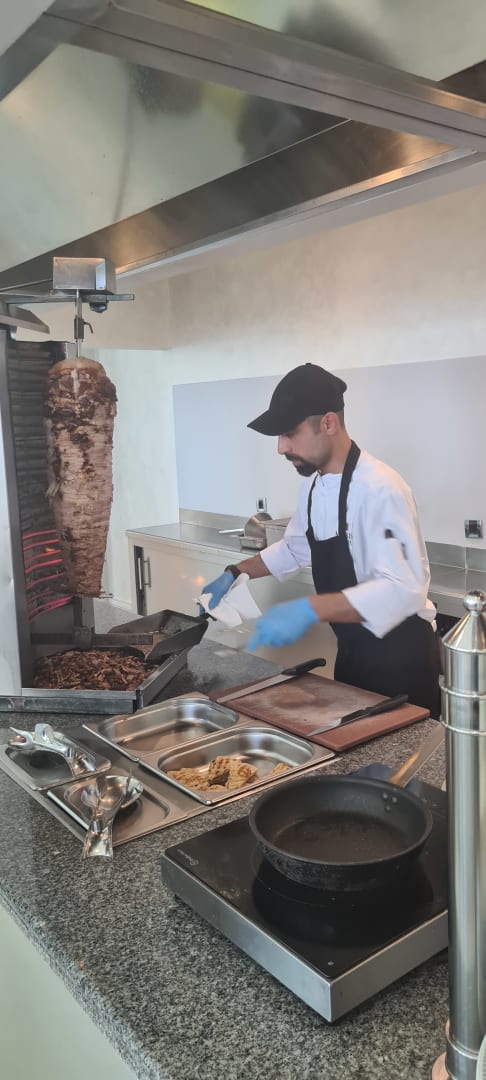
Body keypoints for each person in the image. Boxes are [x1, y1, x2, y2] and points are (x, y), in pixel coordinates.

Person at [202, 363, 441, 717]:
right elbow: (294, 549)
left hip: (401, 661)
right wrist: (236, 571)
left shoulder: (382, 488)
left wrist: (310, 609)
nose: (281, 447)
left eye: (290, 433)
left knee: (403, 754)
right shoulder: (313, 488)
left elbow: (403, 590)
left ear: (328, 423)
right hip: (352, 654)